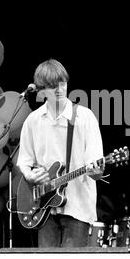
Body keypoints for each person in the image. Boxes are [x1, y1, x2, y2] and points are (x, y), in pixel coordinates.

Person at [17, 58, 105, 248]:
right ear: (40, 90)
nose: (59, 89)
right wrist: (30, 175)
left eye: (62, 83)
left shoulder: (84, 117)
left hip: (77, 206)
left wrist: (95, 170)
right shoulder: (33, 120)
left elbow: (95, 163)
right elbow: (23, 160)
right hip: (42, 205)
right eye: (51, 86)